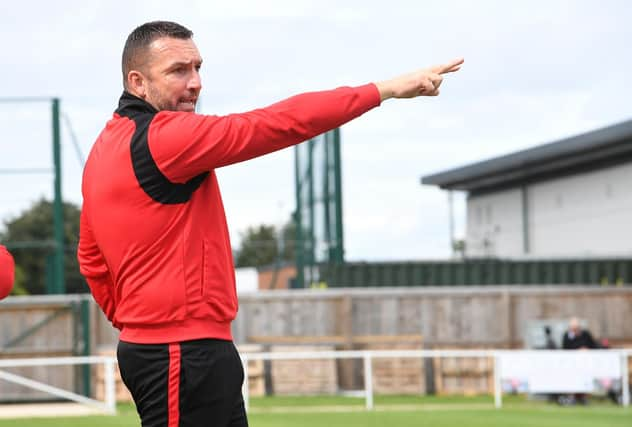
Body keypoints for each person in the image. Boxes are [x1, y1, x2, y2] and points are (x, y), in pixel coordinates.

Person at [77, 20, 463, 427]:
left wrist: (137, 321)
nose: (195, 83)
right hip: (181, 352)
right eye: (178, 70)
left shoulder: (104, 148)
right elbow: (276, 123)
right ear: (137, 82)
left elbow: (90, 258)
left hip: (181, 348)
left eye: (198, 67)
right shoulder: (166, 138)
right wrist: (383, 90)